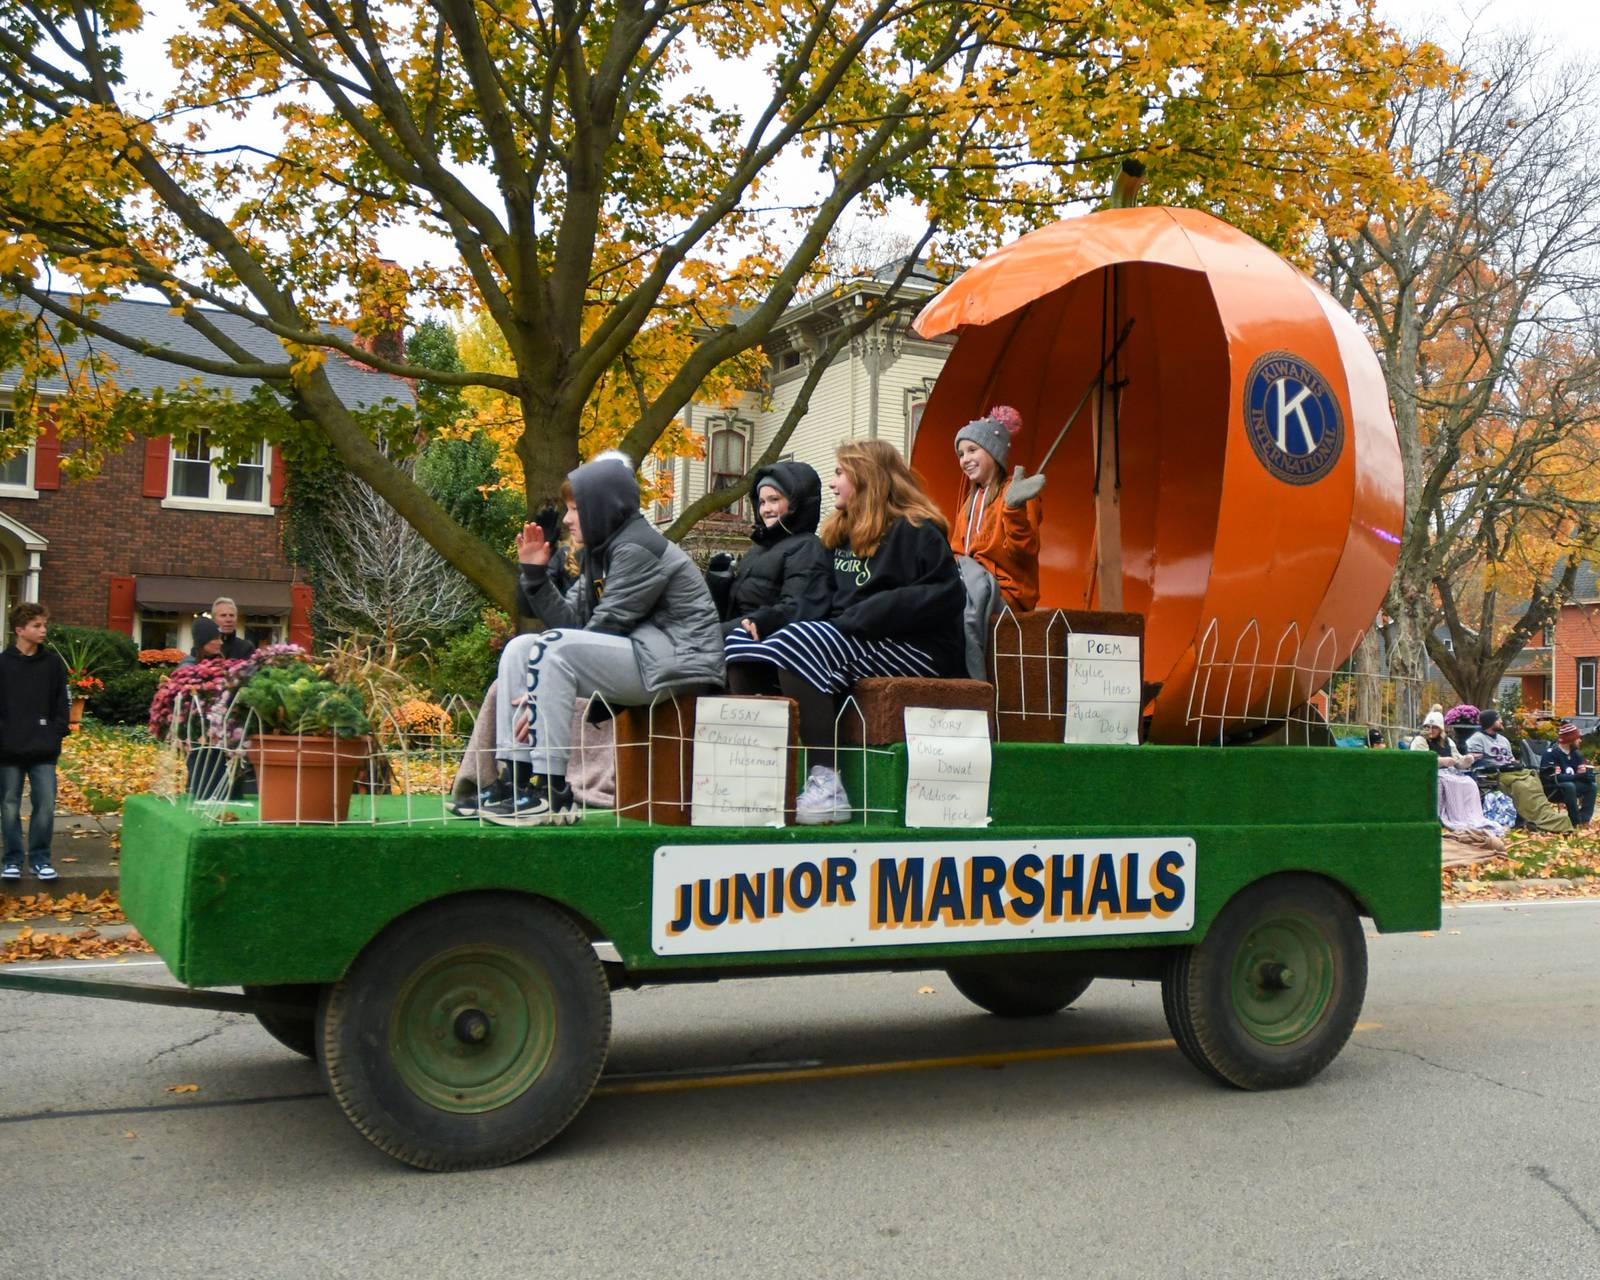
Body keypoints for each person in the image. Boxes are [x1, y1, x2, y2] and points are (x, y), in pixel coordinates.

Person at [726, 440, 965, 825]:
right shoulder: (838, 534)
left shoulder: (917, 530)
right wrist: (767, 622)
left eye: (840, 473)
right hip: (852, 637)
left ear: (866, 476)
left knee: (797, 643)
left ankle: (828, 785)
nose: (833, 483)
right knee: (743, 645)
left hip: (916, 647)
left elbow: (946, 596)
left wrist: (869, 614)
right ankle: (760, 775)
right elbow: (816, 602)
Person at [479, 452, 724, 826]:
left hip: (679, 664)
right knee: (520, 647)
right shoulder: (602, 552)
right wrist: (534, 575)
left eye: (575, 508)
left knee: (549, 650)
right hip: (645, 655)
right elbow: (571, 622)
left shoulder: (638, 548)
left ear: (601, 506)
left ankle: (552, 790)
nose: (567, 519)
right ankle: (514, 780)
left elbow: (605, 625)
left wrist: (536, 689)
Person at [706, 461, 833, 640]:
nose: (766, 509)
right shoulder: (759, 549)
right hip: (739, 636)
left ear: (796, 502)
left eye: (774, 500)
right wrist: (718, 582)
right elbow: (733, 610)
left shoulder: (808, 548)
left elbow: (799, 607)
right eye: (762, 502)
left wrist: (760, 622)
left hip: (765, 646)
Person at [0, 602, 70, 883]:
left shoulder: (52, 664)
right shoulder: (2, 664)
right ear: (20, 630)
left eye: (44, 625)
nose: (43, 630)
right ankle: (12, 859)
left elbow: (62, 703)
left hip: (43, 748)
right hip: (7, 750)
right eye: (37, 626)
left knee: (46, 804)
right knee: (9, 805)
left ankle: (41, 859)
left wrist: (55, 733)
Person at [950, 405, 1044, 612]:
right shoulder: (969, 502)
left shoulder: (1018, 493)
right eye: (960, 454)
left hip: (1007, 593)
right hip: (972, 585)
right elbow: (957, 552)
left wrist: (1013, 509)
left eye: (972, 450)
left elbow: (1023, 552)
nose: (965, 459)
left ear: (994, 452)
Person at [1408, 705, 1503, 848]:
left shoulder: (1447, 741)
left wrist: (1467, 760)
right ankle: (1443, 816)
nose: (1430, 730)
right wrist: (1440, 761)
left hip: (1450, 772)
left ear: (1440, 729)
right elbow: (1420, 760)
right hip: (1430, 773)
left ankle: (1469, 816)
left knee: (1469, 783)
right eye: (1428, 727)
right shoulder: (1420, 741)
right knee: (1445, 783)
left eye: (1434, 727)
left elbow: (1458, 760)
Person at [1466, 708, 1573, 833]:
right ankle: (1538, 820)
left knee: (1532, 779)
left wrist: (1516, 764)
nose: (1501, 721)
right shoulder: (1477, 739)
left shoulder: (1503, 740)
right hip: (1494, 775)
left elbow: (1511, 759)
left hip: (1511, 772)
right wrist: (1494, 766)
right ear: (1490, 722)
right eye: (1498, 719)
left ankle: (1545, 817)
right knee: (1522, 786)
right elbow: (1474, 761)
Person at [1539, 721, 1596, 827]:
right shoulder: (1550, 754)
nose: (1580, 740)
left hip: (1570, 786)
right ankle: (1575, 822)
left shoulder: (1576, 754)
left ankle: (1584, 820)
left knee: (1592, 786)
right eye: (1578, 738)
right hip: (1552, 788)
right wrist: (1578, 776)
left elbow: (1580, 775)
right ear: (1570, 739)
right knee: (1569, 786)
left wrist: (1587, 775)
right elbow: (1554, 778)